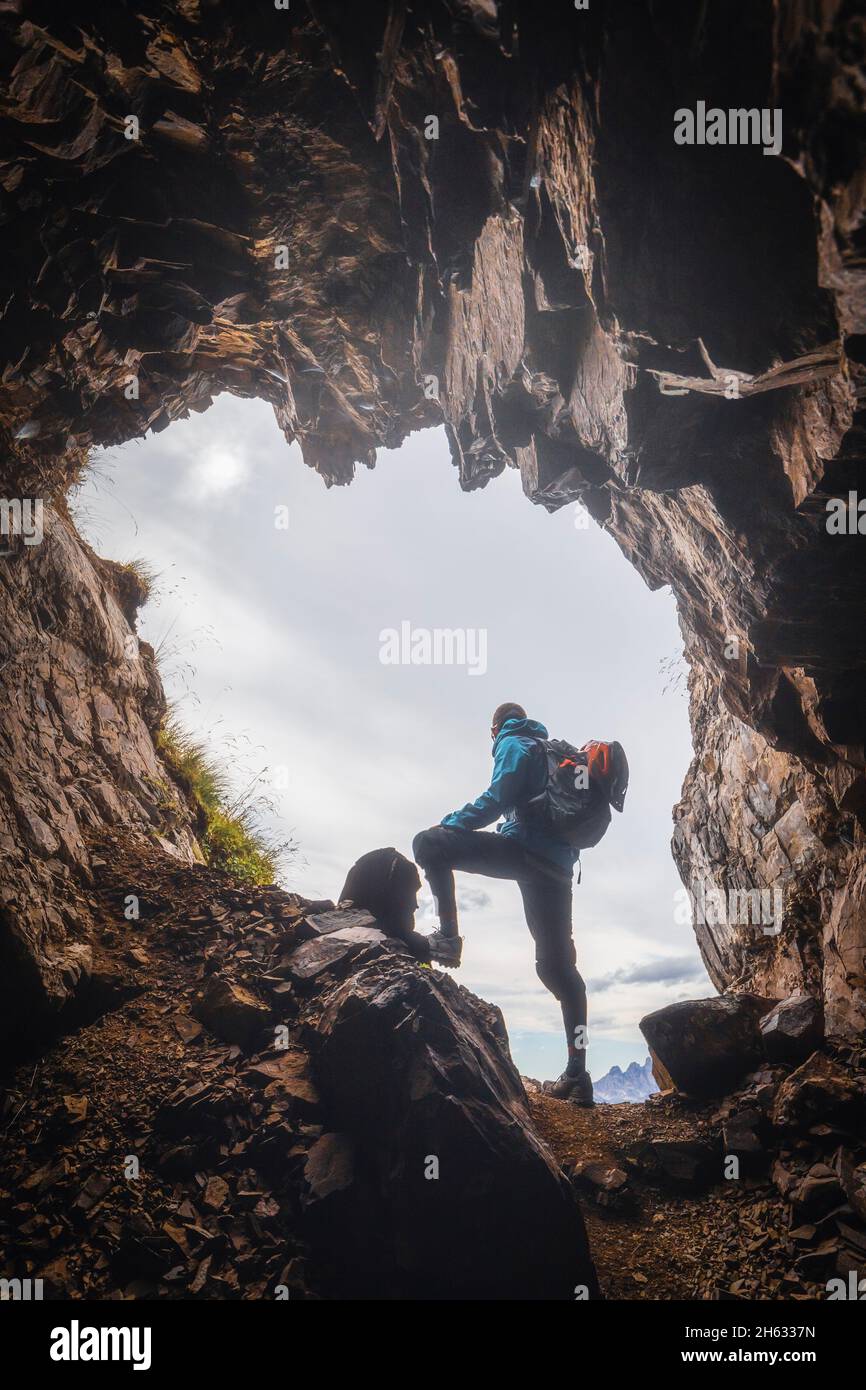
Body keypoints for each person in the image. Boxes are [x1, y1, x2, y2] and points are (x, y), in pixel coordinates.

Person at [412, 702, 592, 1105]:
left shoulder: (514, 742)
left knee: (429, 843)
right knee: (558, 968)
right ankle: (577, 1076)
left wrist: (451, 822)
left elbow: (498, 796)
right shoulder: (552, 750)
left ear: (494, 730)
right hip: (557, 869)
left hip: (525, 853)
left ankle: (447, 939)